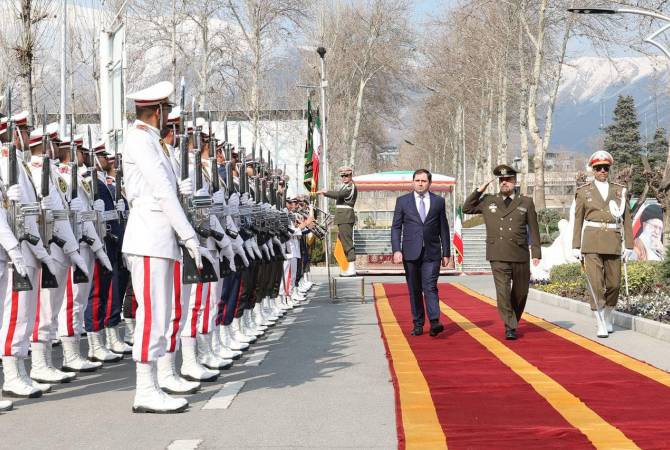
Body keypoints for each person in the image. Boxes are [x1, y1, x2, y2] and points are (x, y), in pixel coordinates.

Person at [122, 80, 203, 413]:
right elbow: (161, 192)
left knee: (163, 313)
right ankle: (144, 389)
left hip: (159, 238)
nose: (169, 116)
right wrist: (189, 235)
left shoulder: (152, 142)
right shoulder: (140, 140)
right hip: (149, 237)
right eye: (167, 110)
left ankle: (155, 383)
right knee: (152, 315)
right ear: (157, 111)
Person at [463, 164, 541, 340]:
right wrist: (479, 190)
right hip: (497, 253)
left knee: (521, 293)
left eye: (508, 180)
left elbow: (534, 229)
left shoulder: (526, 202)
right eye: (502, 180)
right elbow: (467, 208)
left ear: (515, 181)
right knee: (503, 292)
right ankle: (510, 326)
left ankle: (512, 319)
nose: (505, 183)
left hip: (520, 253)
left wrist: (536, 252)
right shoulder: (489, 201)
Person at [572, 151, 633, 338]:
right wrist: (575, 246)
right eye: (598, 168)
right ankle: (599, 321)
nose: (602, 171)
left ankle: (607, 315)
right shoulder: (584, 191)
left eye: (606, 167)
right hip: (591, 242)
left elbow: (627, 219)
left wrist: (629, 245)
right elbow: (578, 219)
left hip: (613, 240)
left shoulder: (619, 190)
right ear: (592, 169)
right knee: (596, 284)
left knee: (614, 284)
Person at [391, 169, 451, 337]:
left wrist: (446, 252)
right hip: (410, 253)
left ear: (429, 183)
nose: (420, 183)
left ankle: (434, 321)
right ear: (413, 182)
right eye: (417, 180)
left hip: (432, 253)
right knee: (414, 289)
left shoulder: (439, 201)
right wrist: (396, 249)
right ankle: (418, 323)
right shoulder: (403, 201)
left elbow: (444, 228)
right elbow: (396, 227)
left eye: (423, 181)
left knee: (430, 286)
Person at [316, 166, 357, 276]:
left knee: (347, 242)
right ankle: (348, 266)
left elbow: (339, 195)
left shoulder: (350, 187)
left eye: (346, 175)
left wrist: (325, 192)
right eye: (342, 176)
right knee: (343, 242)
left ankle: (351, 267)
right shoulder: (345, 186)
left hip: (346, 217)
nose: (344, 177)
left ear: (351, 175)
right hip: (343, 217)